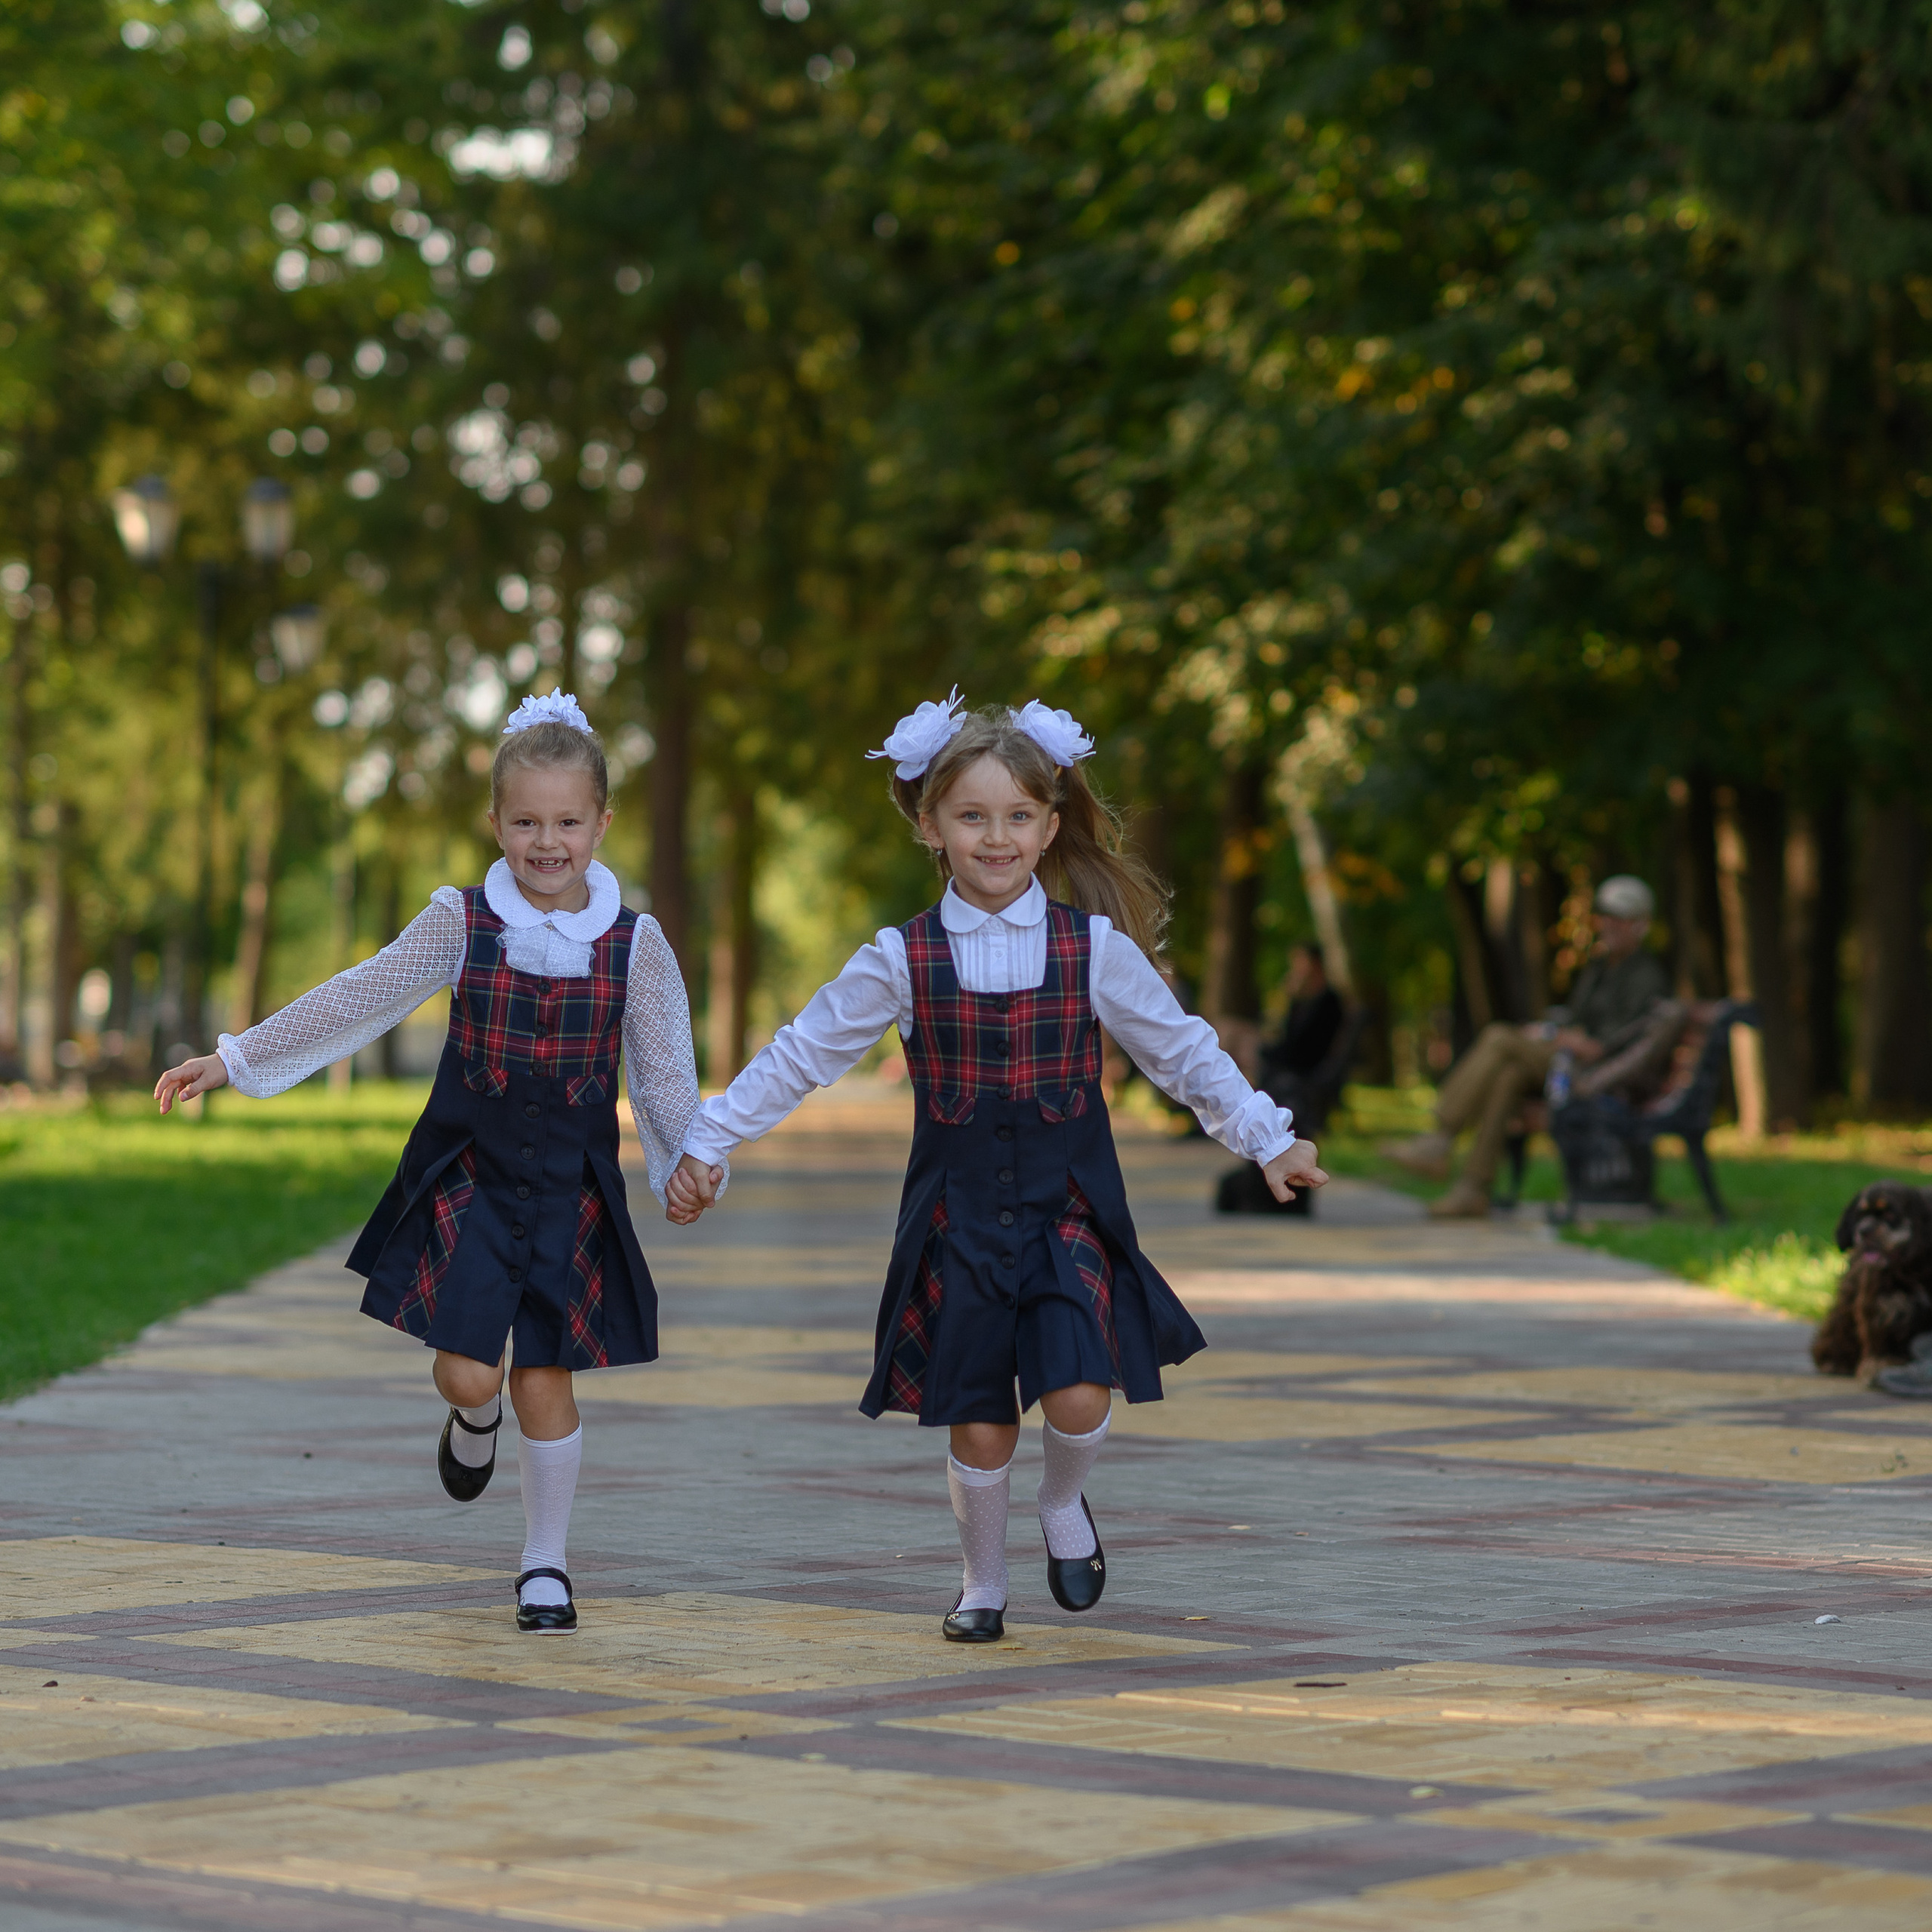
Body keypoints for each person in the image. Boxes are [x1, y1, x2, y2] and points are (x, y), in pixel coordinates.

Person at [668, 694, 1327, 1642]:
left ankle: (1061, 1500)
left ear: (1050, 827)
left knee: (1081, 1389)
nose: (996, 837)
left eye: (1018, 815)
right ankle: (982, 1582)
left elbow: (1181, 1051)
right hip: (957, 1219)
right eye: (972, 815)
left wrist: (1267, 1139)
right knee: (979, 1421)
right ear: (931, 826)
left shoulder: (1092, 949)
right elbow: (801, 1054)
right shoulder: (899, 958)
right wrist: (709, 1137)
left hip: (1069, 1207)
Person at [154, 691, 704, 1635]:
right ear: (495, 823)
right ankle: (471, 1422)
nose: (546, 842)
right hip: (473, 1180)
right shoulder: (462, 920)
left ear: (602, 824)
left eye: (568, 822)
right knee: (469, 1375)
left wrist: (685, 1161)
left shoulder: (634, 944)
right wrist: (236, 1059)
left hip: (570, 1192)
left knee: (546, 1377)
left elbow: (664, 1072)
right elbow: (359, 995)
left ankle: (544, 1564)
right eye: (525, 822)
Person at [1386, 874, 1671, 1218]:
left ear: (1641, 925)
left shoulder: (1645, 976)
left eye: (1619, 918)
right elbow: (1575, 1021)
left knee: (1499, 1037)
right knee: (1510, 1074)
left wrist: (1562, 1039)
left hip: (1598, 1075)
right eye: (1605, 916)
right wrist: (1548, 1032)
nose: (1608, 924)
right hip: (1570, 1062)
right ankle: (1473, 1188)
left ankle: (1441, 1137)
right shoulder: (1600, 967)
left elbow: (1604, 1047)